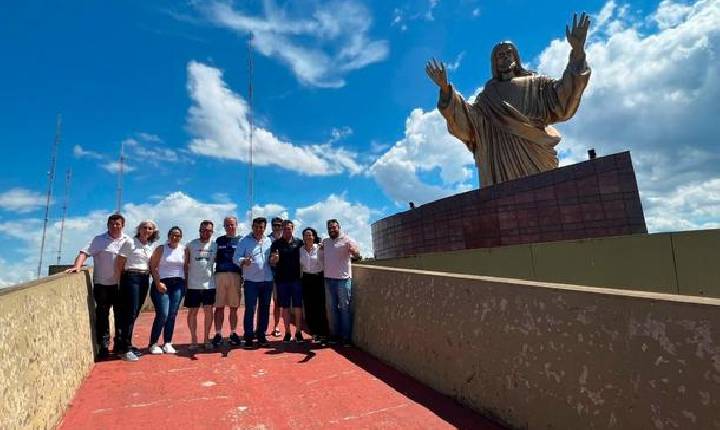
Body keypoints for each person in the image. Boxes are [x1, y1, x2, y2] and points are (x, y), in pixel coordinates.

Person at [425, 13, 591, 187]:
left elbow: (563, 100)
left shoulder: (537, 83)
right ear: (494, 63)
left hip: (536, 157)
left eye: (508, 53)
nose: (504, 57)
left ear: (516, 57)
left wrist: (578, 52)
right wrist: (445, 89)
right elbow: (471, 124)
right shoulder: (488, 95)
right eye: (499, 56)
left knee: (545, 200)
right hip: (500, 165)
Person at [67, 213, 130, 359]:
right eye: (112, 224)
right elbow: (84, 253)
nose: (115, 226)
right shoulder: (99, 240)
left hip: (121, 284)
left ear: (123, 225)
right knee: (102, 315)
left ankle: (119, 345)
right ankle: (103, 346)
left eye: (118, 224)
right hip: (102, 284)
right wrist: (77, 266)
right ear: (108, 225)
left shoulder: (128, 240)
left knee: (120, 316)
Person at [113, 219, 159, 361]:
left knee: (134, 313)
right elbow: (119, 263)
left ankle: (124, 345)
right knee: (129, 312)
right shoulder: (130, 242)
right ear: (138, 229)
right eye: (144, 227)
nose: (147, 230)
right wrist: (120, 282)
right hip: (131, 277)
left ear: (153, 232)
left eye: (150, 228)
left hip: (144, 279)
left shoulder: (150, 246)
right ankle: (125, 349)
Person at [234, 217, 273, 348]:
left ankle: (261, 335)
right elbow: (235, 258)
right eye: (256, 226)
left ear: (265, 228)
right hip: (251, 281)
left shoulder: (269, 240)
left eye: (261, 227)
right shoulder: (244, 241)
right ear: (252, 227)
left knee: (265, 309)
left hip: (267, 280)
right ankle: (249, 337)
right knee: (250, 309)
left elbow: (273, 258)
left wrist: (274, 260)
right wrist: (244, 260)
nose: (259, 229)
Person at [148, 226, 186, 354]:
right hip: (162, 284)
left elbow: (186, 267)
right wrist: (158, 283)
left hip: (178, 284)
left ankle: (168, 342)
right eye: (173, 235)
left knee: (172, 314)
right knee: (163, 314)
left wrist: (185, 284)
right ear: (169, 236)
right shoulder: (161, 248)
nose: (175, 237)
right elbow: (153, 266)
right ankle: (153, 343)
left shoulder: (183, 249)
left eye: (178, 236)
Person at [322, 219, 361, 346]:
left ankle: (346, 338)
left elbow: (357, 255)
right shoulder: (325, 242)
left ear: (339, 227)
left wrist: (355, 252)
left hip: (343, 280)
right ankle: (334, 335)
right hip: (328, 279)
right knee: (332, 309)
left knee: (345, 309)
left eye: (334, 227)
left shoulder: (348, 240)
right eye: (330, 228)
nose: (332, 230)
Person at [270, 220, 305, 343]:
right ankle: (287, 332)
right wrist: (275, 259)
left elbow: (312, 246)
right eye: (284, 228)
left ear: (293, 229)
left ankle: (299, 332)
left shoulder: (299, 242)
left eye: (289, 228)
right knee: (284, 307)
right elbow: (272, 261)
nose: (287, 230)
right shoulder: (276, 243)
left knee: (297, 306)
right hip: (282, 280)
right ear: (282, 230)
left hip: (296, 280)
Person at [185, 220, 217, 350]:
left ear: (212, 232)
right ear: (199, 230)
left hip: (209, 285)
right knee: (192, 313)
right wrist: (186, 282)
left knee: (209, 312)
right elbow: (185, 264)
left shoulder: (215, 246)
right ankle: (194, 339)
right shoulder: (190, 245)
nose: (206, 232)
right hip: (193, 285)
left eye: (209, 230)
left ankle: (206, 339)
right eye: (203, 230)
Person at [212, 216, 243, 348]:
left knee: (234, 308)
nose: (230, 227)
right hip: (220, 276)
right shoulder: (219, 241)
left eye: (232, 225)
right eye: (227, 225)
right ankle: (218, 334)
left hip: (235, 276)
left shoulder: (242, 241)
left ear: (236, 225)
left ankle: (233, 333)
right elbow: (213, 258)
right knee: (219, 307)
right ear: (224, 226)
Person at [300, 227, 328, 342]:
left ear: (314, 236)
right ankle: (314, 332)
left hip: (318, 278)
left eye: (310, 235)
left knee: (320, 306)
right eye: (305, 235)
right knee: (309, 306)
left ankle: (323, 333)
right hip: (306, 278)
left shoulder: (320, 248)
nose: (308, 237)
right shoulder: (300, 250)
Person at [268, 216, 284, 337]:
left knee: (277, 303)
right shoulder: (266, 240)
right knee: (263, 303)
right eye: (275, 225)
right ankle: (260, 328)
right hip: (266, 274)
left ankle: (276, 326)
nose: (277, 227)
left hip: (281, 276)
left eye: (279, 225)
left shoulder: (286, 240)